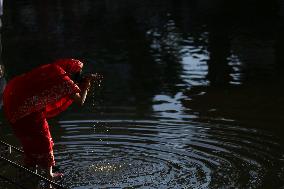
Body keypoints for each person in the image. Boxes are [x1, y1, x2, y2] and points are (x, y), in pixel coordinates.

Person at [2, 58, 100, 181]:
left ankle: (28, 168)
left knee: (30, 137)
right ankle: (49, 174)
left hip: (13, 99)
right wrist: (86, 86)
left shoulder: (54, 70)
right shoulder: (64, 80)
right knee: (44, 138)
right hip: (26, 109)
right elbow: (80, 101)